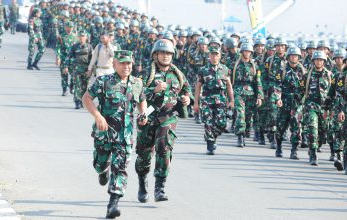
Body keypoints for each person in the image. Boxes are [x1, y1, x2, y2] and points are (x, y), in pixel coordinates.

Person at [82, 50, 147, 218]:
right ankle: (103, 171)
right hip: (104, 133)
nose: (126, 66)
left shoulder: (137, 83)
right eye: (122, 63)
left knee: (120, 169)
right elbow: (86, 98)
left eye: (129, 63)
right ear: (115, 64)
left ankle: (113, 204)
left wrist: (143, 114)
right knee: (100, 164)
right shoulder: (104, 81)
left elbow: (142, 100)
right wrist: (98, 116)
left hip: (124, 136)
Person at [135, 39, 192, 203]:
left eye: (169, 53)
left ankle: (160, 187)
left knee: (164, 147)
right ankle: (142, 183)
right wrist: (154, 89)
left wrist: (187, 99)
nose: (166, 56)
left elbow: (187, 90)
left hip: (169, 115)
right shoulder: (147, 73)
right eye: (163, 53)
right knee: (144, 154)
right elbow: (135, 92)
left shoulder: (178, 75)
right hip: (149, 113)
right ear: (156, 54)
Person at [194, 46, 234, 155]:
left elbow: (229, 85)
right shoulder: (203, 70)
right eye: (212, 54)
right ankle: (210, 145)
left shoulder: (225, 69)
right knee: (208, 122)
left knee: (222, 123)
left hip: (220, 98)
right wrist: (196, 103)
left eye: (216, 54)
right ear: (209, 56)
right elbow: (198, 87)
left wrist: (232, 100)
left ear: (220, 56)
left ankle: (212, 136)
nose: (214, 56)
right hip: (207, 98)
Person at [301, 50, 332, 166]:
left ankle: (315, 146)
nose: (318, 62)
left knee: (323, 131)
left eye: (321, 60)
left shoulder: (329, 75)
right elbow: (301, 92)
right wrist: (299, 107)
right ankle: (313, 154)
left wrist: (331, 109)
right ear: (313, 61)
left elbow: (333, 93)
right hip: (311, 105)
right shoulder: (307, 76)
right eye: (316, 60)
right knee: (312, 129)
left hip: (325, 107)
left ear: (324, 61)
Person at [275, 47, 306, 159]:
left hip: (297, 103)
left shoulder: (303, 71)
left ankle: (294, 150)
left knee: (297, 126)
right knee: (281, 126)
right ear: (288, 57)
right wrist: (278, 98)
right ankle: (278, 146)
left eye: (296, 56)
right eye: (292, 55)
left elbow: (305, 88)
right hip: (284, 102)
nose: (294, 57)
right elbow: (277, 86)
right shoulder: (282, 70)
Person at [231, 43, 264, 147]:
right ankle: (240, 136)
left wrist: (259, 96)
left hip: (250, 93)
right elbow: (230, 81)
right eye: (245, 51)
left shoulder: (255, 66)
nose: (247, 53)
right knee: (240, 114)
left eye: (249, 52)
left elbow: (258, 82)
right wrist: (230, 96)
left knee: (248, 116)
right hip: (238, 92)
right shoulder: (235, 64)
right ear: (241, 52)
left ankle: (246, 132)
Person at [64, 30, 93, 109]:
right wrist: (66, 66)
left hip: (86, 69)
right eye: (80, 36)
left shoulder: (89, 47)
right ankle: (77, 101)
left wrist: (91, 70)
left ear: (86, 38)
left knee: (85, 86)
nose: (81, 38)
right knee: (78, 85)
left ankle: (83, 101)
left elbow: (92, 59)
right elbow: (68, 57)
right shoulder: (74, 46)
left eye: (83, 36)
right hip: (76, 68)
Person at [55, 21, 78, 96]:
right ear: (65, 27)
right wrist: (58, 57)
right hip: (64, 58)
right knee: (64, 75)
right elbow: (58, 47)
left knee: (74, 75)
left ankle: (71, 86)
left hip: (73, 60)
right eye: (68, 27)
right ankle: (64, 90)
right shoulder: (61, 36)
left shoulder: (75, 37)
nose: (69, 29)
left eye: (71, 27)